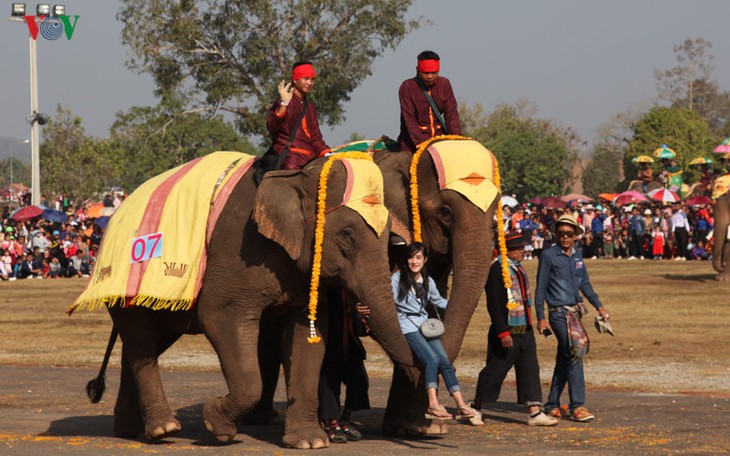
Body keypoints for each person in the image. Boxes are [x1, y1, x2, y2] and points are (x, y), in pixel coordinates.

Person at [472, 232, 559, 427]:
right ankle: (476, 407)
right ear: (507, 250)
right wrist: (502, 331)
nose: (522, 251)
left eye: (523, 248)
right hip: (507, 330)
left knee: (529, 368)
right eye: (518, 248)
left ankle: (534, 412)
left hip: (524, 328)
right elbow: (494, 303)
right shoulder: (497, 270)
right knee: (496, 370)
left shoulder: (519, 269)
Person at [535, 214, 611, 422]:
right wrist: (541, 318)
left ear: (575, 235)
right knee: (576, 353)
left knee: (565, 358)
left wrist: (599, 307)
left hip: (575, 313)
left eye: (569, 234)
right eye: (561, 234)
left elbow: (584, 284)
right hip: (558, 314)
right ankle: (578, 406)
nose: (565, 237)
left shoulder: (577, 255)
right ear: (556, 234)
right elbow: (540, 288)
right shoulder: (548, 256)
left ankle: (552, 404)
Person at [392, 242, 476, 420]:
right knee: (431, 359)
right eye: (411, 257)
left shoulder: (427, 281)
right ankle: (432, 404)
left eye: (418, 257)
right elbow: (388, 303)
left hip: (424, 325)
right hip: (406, 325)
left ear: (425, 259)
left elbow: (439, 302)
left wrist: (460, 307)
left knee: (444, 361)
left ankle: (461, 405)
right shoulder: (397, 279)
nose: (414, 261)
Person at [318, 288, 370, 444]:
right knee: (330, 386)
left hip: (351, 345)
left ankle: (345, 419)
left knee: (360, 382)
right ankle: (331, 424)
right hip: (331, 345)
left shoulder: (353, 290)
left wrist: (361, 316)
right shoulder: (327, 291)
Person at [265, 61, 331, 171]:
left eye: (312, 79)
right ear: (295, 79)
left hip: (311, 157)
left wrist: (327, 153)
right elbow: (271, 127)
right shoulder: (283, 101)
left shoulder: (310, 107)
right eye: (306, 78)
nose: (310, 83)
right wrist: (284, 104)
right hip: (291, 156)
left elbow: (316, 137)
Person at [397, 50, 461, 152]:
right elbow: (409, 120)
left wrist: (456, 140)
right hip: (412, 145)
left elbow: (451, 115)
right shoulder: (407, 87)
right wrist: (424, 145)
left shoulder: (445, 84)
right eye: (426, 73)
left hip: (440, 141)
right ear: (418, 70)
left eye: (434, 73)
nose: (430, 76)